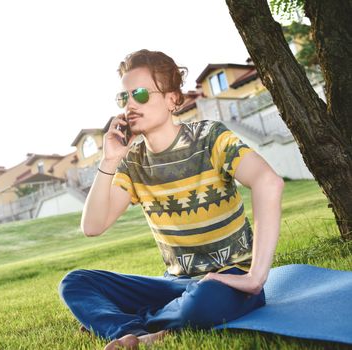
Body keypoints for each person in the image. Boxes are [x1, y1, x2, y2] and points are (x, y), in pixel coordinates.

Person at [58, 49, 283, 350]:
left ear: (172, 99)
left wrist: (255, 277)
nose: (129, 105)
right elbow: (93, 226)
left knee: (203, 302)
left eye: (139, 94)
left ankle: (138, 325)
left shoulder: (210, 137)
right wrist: (110, 160)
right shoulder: (133, 162)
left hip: (227, 282)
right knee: (76, 283)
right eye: (123, 98)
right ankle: (140, 331)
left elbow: (269, 182)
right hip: (175, 285)